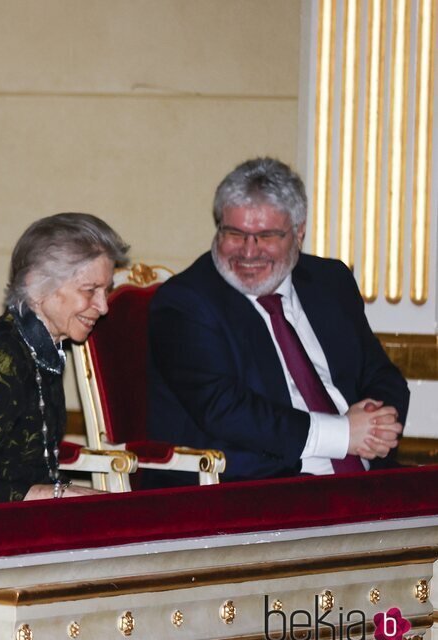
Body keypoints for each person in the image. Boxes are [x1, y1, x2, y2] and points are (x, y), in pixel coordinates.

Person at [147, 157, 408, 482]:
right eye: (234, 233)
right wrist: (343, 434)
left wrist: (378, 426)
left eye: (266, 235)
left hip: (366, 477)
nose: (248, 251)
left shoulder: (330, 281)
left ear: (298, 233)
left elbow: (382, 375)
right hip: (254, 490)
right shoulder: (186, 303)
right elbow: (225, 410)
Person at [0, 214, 130, 502]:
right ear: (36, 285)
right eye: (89, 290)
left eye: (106, 291)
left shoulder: (41, 350)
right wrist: (56, 494)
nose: (103, 307)